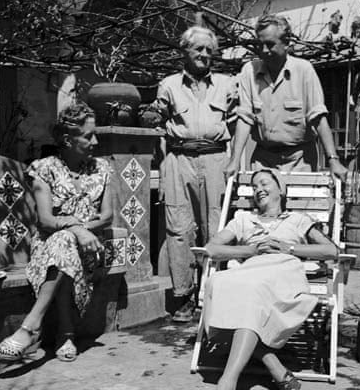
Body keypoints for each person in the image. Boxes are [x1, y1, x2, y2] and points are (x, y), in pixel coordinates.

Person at [202, 169, 337, 390]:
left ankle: (228, 380)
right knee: (217, 283)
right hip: (252, 269)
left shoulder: (298, 219)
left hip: (283, 270)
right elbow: (212, 248)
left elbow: (331, 250)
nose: (258, 190)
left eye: (264, 183)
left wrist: (290, 247)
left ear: (281, 189)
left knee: (252, 292)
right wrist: (249, 250)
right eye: (254, 187)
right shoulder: (243, 220)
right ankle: (274, 365)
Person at [0, 102, 113, 363]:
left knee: (67, 243)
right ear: (67, 139)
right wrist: (76, 229)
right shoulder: (44, 169)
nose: (95, 141)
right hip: (49, 244)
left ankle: (31, 328)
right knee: (63, 243)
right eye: (88, 136)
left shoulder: (102, 169)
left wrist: (80, 231)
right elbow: (46, 220)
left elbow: (107, 216)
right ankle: (62, 332)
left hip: (91, 246)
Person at [147, 26, 236, 322]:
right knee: (180, 228)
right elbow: (157, 123)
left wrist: (235, 163)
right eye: (198, 49)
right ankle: (183, 296)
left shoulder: (227, 84)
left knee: (217, 226)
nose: (204, 55)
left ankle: (215, 294)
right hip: (178, 158)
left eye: (209, 51)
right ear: (184, 51)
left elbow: (241, 124)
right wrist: (162, 162)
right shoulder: (169, 84)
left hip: (216, 159)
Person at [225, 14, 347, 181]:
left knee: (300, 205)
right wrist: (235, 161)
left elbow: (318, 117)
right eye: (260, 45)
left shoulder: (304, 70)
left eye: (270, 45)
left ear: (286, 42)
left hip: (300, 159)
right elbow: (245, 118)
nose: (264, 51)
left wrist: (333, 160)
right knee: (261, 205)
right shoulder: (249, 71)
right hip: (263, 159)